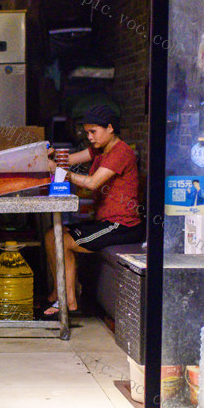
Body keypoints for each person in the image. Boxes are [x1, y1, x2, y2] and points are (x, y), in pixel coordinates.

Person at [43, 106, 144, 317]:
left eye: (93, 132)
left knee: (63, 241)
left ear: (110, 128)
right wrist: (48, 157)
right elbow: (68, 160)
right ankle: (60, 292)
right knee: (52, 235)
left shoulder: (121, 152)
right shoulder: (99, 150)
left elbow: (92, 183)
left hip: (122, 225)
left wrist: (62, 172)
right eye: (86, 132)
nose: (89, 137)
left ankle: (68, 299)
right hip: (106, 222)